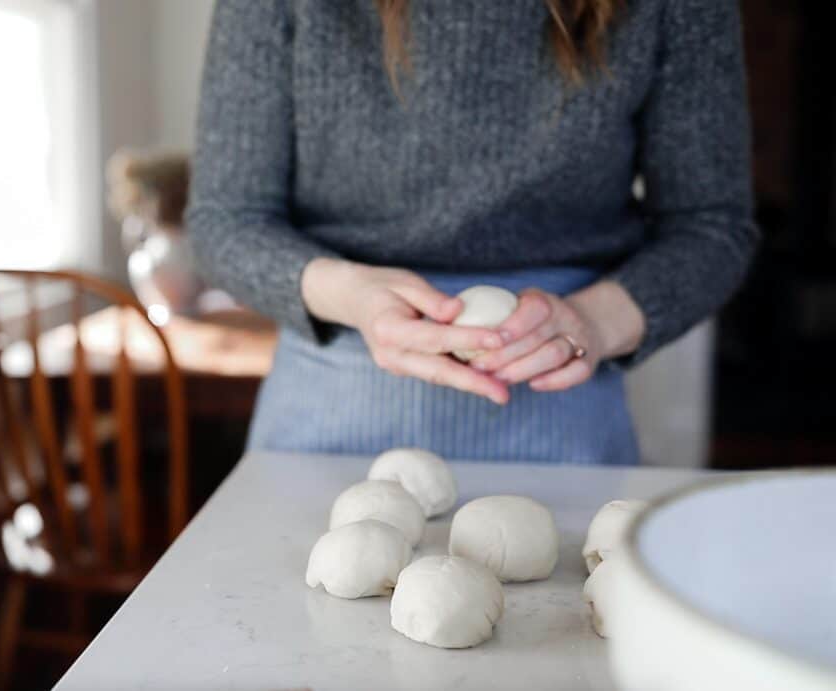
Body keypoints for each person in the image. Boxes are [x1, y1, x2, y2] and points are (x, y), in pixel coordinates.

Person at [185, 0, 757, 464]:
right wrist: (353, 297)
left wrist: (592, 322)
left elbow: (712, 226)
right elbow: (225, 220)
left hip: (562, 407)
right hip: (330, 404)